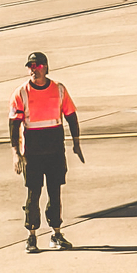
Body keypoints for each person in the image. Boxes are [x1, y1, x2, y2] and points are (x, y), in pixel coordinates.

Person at [10, 49, 84, 250]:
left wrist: (76, 142)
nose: (34, 70)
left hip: (54, 150)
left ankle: (56, 233)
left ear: (46, 68)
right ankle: (31, 235)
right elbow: (14, 125)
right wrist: (16, 153)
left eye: (38, 66)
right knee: (33, 194)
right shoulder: (21, 93)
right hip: (32, 152)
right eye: (30, 67)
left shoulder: (59, 89)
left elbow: (71, 115)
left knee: (55, 193)